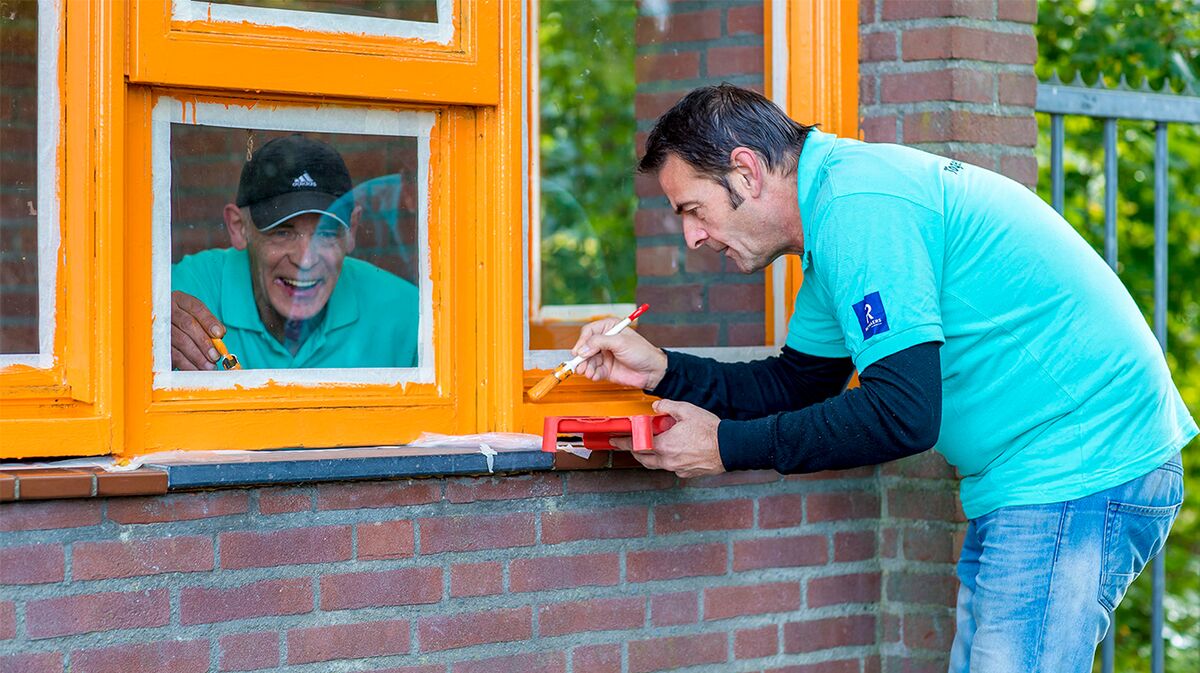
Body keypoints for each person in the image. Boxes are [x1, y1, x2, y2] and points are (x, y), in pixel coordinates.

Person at [568, 84, 1194, 672]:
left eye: (693, 209)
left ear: (746, 172)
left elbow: (903, 414)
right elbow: (797, 383)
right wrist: (664, 372)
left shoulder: (859, 209)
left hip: (1078, 464)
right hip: (1030, 477)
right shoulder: (832, 220)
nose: (693, 236)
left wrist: (723, 446)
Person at [171, 134, 420, 370]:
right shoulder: (191, 289)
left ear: (351, 230)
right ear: (239, 227)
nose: (305, 259)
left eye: (325, 233)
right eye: (282, 232)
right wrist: (146, 324)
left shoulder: (410, 313)